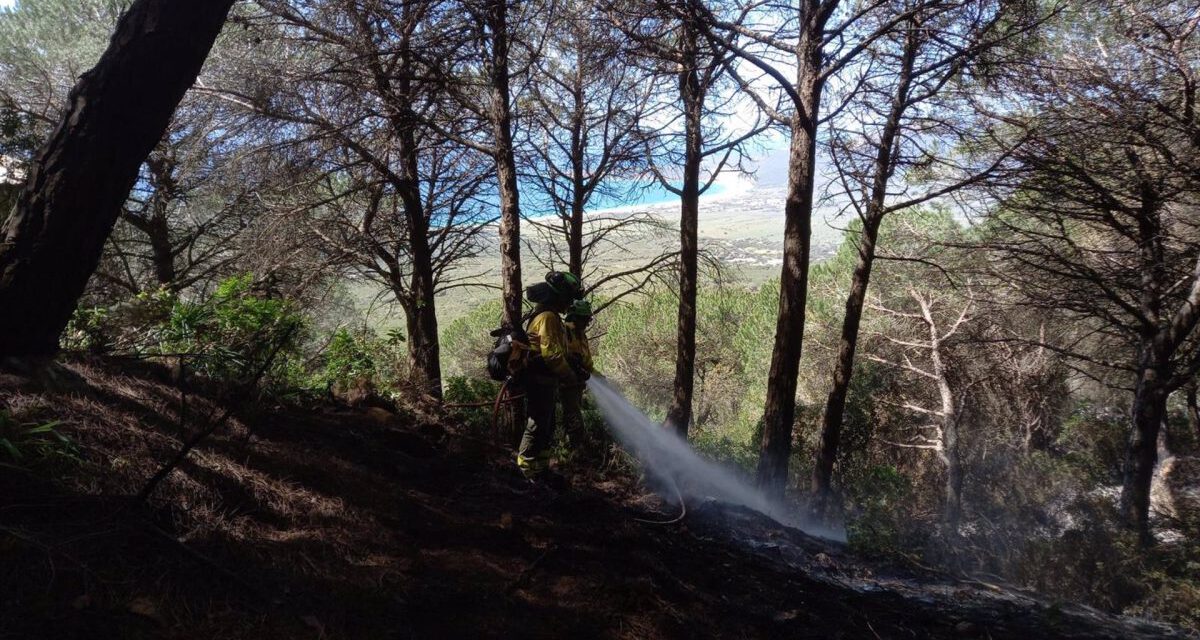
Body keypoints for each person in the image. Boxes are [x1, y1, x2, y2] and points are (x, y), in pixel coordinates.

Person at [516, 272, 582, 482]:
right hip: (539, 381)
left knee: (547, 424)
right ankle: (525, 471)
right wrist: (570, 376)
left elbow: (557, 351)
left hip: (546, 381)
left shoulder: (550, 316)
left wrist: (572, 363)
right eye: (569, 299)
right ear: (559, 297)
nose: (570, 304)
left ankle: (541, 470)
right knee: (536, 425)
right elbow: (551, 355)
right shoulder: (547, 317)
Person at [561, 299, 597, 462]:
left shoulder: (580, 335)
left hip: (575, 384)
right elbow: (561, 356)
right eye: (585, 319)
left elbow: (586, 363)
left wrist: (600, 378)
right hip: (564, 383)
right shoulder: (565, 332)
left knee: (573, 414)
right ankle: (573, 453)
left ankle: (572, 450)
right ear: (575, 318)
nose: (587, 323)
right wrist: (572, 372)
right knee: (573, 418)